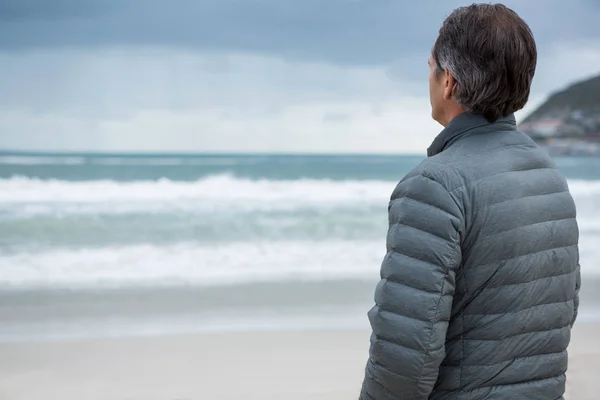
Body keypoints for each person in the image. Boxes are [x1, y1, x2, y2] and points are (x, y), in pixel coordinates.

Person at [359, 4, 580, 400]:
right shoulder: (549, 176)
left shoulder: (434, 185)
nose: (429, 78)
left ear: (449, 82)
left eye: (431, 67)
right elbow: (561, 313)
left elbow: (405, 357)